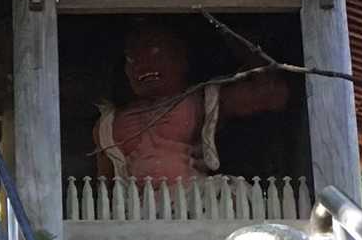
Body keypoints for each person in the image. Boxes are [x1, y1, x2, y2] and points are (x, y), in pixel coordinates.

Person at [93, 21, 288, 182]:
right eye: (131, 57)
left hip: (193, 198)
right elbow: (104, 183)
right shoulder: (110, 123)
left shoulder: (200, 99)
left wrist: (246, 48)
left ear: (182, 58)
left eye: (154, 51)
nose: (141, 64)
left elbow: (274, 95)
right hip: (136, 207)